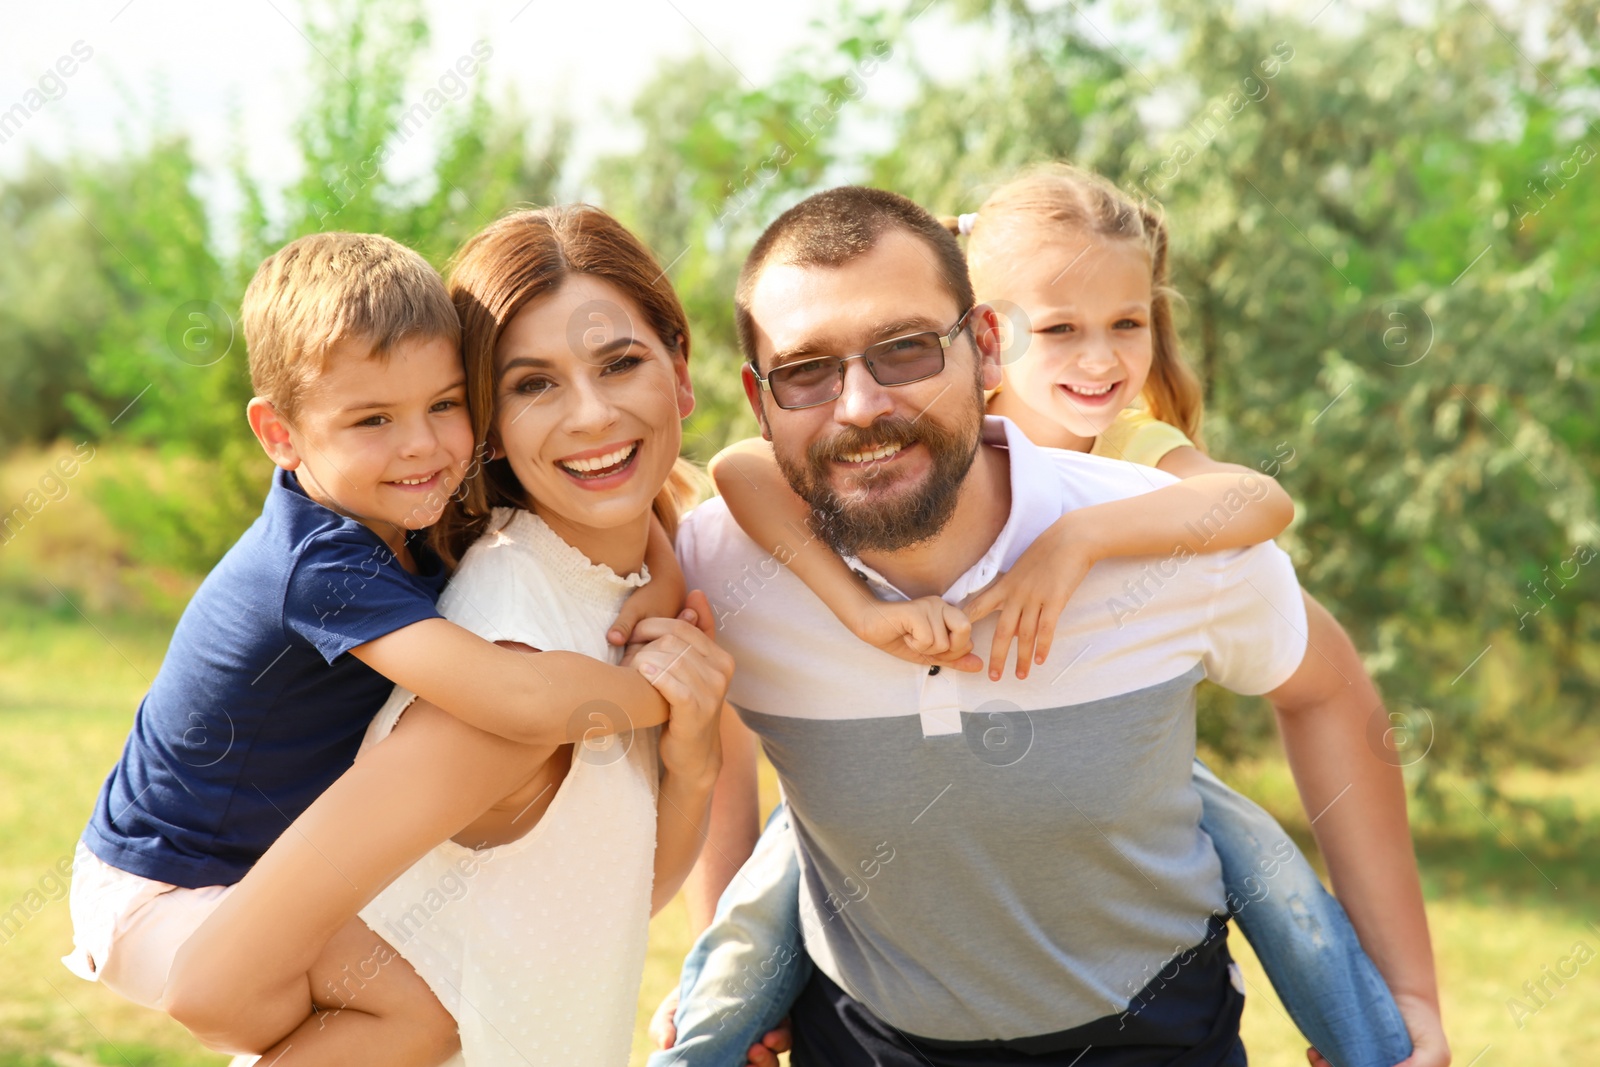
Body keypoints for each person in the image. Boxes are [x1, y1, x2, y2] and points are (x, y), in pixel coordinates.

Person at [663, 186, 1449, 1066]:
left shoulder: (1164, 523)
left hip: (1155, 1038)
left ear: (985, 346)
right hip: (858, 1037)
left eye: (908, 349)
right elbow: (716, 703)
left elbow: (1330, 686)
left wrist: (1409, 986)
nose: (858, 406)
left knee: (1246, 844)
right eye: (807, 370)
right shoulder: (723, 559)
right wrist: (730, 971)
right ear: (759, 397)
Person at [63, 231, 694, 1064]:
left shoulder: (407, 518)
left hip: (240, 874)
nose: (422, 445)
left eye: (443, 404)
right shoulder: (318, 561)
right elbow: (519, 698)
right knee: (416, 1021)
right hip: (159, 885)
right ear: (279, 434)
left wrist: (657, 588)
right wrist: (662, 689)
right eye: (372, 419)